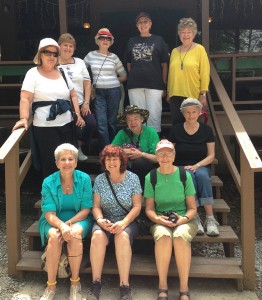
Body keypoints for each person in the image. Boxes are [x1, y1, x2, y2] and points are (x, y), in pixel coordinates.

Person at [12, 38, 85, 178]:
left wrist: (77, 114)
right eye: (47, 52)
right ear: (40, 54)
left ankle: (68, 195)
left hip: (67, 124)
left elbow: (73, 95)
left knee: (69, 161)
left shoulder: (62, 72)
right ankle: (51, 197)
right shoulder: (32, 73)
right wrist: (23, 118)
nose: (51, 56)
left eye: (55, 53)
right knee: (50, 163)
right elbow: (25, 98)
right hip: (45, 127)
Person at [86, 145, 142, 300]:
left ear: (121, 160)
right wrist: (99, 220)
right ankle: (95, 283)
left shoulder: (133, 178)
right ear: (104, 162)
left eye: (115, 159)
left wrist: (123, 223)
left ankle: (124, 285)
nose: (111, 162)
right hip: (106, 220)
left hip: (127, 220)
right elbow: (96, 206)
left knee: (122, 237)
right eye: (108, 159)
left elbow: (137, 206)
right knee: (97, 235)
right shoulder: (100, 179)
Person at [38, 143, 93, 300]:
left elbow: (85, 210)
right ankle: (51, 286)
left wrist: (68, 224)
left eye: (71, 159)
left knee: (75, 234)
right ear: (57, 163)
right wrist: (61, 226)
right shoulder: (48, 182)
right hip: (53, 220)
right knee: (55, 237)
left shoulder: (84, 179)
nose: (67, 162)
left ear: (76, 162)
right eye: (63, 159)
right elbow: (48, 213)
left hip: (78, 219)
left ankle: (75, 283)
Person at [144, 139, 197, 300]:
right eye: (161, 154)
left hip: (185, 219)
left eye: (168, 153)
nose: (165, 157)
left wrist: (183, 219)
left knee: (180, 236)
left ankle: (184, 288)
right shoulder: (151, 177)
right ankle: (162, 285)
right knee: (164, 236)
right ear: (156, 156)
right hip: (160, 219)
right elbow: (149, 209)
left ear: (174, 156)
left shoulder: (184, 175)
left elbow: (193, 208)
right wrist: (159, 220)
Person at [169, 98, 219, 236]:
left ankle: (210, 218)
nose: (191, 115)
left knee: (202, 176)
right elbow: (170, 151)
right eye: (188, 112)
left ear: (199, 113)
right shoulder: (176, 130)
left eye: (194, 112)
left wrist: (197, 165)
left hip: (200, 165)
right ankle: (194, 217)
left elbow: (211, 155)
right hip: (181, 166)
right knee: (188, 176)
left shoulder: (206, 130)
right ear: (183, 114)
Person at [125, 12, 169, 133]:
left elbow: (164, 64)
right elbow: (129, 63)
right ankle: (139, 145)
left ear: (150, 24)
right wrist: (135, 75)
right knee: (137, 116)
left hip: (155, 85)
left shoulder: (158, 40)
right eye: (140, 22)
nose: (143, 24)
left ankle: (153, 145)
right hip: (135, 85)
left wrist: (164, 83)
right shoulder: (131, 41)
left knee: (154, 115)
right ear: (136, 26)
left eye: (145, 21)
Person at [84, 28, 127, 150]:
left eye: (108, 38)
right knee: (101, 123)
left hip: (114, 91)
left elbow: (124, 76)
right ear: (97, 40)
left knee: (111, 122)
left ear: (111, 41)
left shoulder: (114, 57)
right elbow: (80, 70)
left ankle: (114, 150)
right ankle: (106, 151)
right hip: (98, 92)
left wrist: (112, 79)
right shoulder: (90, 55)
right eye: (102, 38)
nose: (105, 40)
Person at [58, 33, 97, 161]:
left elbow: (87, 83)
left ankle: (78, 146)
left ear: (74, 49)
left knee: (90, 123)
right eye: (65, 45)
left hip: (80, 102)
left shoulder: (79, 62)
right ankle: (74, 153)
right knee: (71, 128)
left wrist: (86, 102)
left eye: (71, 46)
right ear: (59, 47)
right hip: (63, 105)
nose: (68, 48)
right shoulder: (54, 63)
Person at [167, 18, 210, 126]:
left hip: (193, 94)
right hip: (175, 95)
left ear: (194, 34)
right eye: (183, 32)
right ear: (179, 34)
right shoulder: (174, 51)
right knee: (177, 126)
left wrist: (203, 93)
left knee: (193, 125)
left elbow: (205, 72)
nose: (185, 35)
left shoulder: (200, 49)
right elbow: (171, 74)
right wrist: (168, 92)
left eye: (188, 32)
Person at [112, 104, 159, 189]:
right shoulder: (122, 133)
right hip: (127, 167)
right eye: (129, 120)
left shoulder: (151, 132)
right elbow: (111, 150)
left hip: (147, 168)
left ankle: (141, 191)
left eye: (135, 119)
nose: (132, 122)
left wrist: (141, 154)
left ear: (142, 119)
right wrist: (123, 151)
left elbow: (157, 158)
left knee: (139, 162)